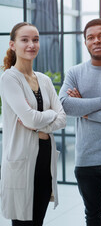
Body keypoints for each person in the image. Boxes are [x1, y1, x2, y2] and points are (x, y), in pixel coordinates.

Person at [59, 19, 101, 226]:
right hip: (86, 158)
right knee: (93, 215)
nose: (96, 41)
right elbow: (65, 106)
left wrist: (85, 110)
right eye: (91, 37)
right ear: (85, 42)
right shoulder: (74, 73)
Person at [0, 22, 66, 225]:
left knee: (38, 221)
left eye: (35, 40)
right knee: (23, 222)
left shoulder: (44, 80)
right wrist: (49, 115)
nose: (31, 45)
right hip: (21, 161)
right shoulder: (9, 78)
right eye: (25, 40)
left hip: (45, 162)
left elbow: (62, 118)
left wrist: (39, 122)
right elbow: (29, 118)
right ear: (13, 45)